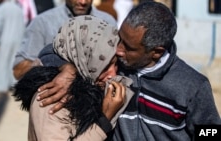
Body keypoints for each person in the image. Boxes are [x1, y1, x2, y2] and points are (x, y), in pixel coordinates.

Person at [35, 1, 221, 141]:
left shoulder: (193, 86)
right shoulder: (114, 66)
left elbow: (211, 132)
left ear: (156, 52)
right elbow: (51, 50)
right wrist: (67, 69)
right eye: (120, 38)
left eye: (129, 47)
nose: (118, 49)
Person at [13, 15, 134, 141]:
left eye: (116, 64)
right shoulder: (52, 96)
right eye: (104, 66)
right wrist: (104, 120)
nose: (113, 75)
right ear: (83, 59)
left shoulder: (92, 82)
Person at [12, 0, 117, 80]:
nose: (83, 2)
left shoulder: (108, 22)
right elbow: (18, 70)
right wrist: (54, 63)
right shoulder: (43, 22)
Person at [0, 0, 25, 95]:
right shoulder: (19, 8)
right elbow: (23, 25)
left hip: (4, 39)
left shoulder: (2, 8)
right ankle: (13, 84)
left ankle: (0, 86)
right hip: (18, 39)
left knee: (1, 63)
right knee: (13, 63)